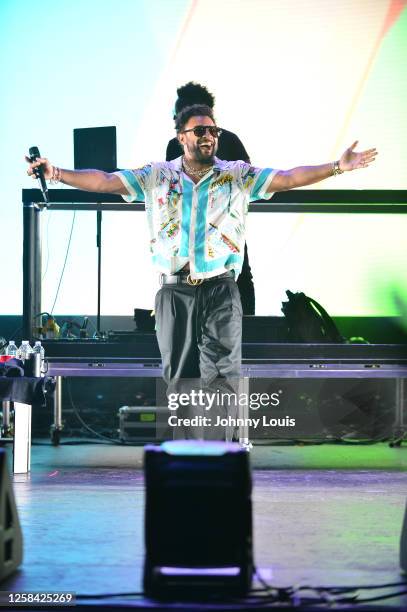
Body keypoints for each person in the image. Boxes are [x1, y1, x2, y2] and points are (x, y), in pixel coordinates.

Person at [26, 104, 377, 440]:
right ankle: (186, 456)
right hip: (174, 291)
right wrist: (55, 173)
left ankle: (221, 454)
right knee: (180, 379)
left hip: (220, 289)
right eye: (200, 131)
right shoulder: (156, 175)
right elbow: (104, 181)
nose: (208, 136)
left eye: (213, 130)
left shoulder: (236, 174)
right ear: (182, 137)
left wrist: (337, 167)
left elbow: (286, 178)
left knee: (223, 376)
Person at [166, 82, 256, 315]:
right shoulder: (175, 145)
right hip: (201, 237)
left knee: (240, 277)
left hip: (221, 234)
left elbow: (249, 179)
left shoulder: (230, 141)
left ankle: (243, 334)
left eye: (176, 115)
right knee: (240, 277)